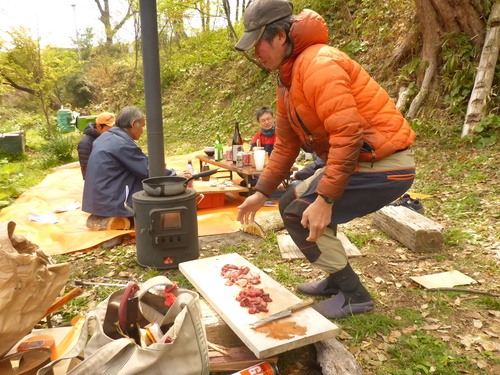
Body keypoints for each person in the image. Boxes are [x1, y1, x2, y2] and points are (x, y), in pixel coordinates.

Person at [235, 0, 416, 319]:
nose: (256, 54)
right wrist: (261, 192)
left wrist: (326, 199)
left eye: (258, 43)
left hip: (385, 162)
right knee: (289, 200)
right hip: (357, 159)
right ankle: (335, 277)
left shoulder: (319, 64)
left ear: (279, 37)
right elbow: (286, 145)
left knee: (300, 213)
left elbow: (348, 134)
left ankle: (355, 295)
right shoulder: (287, 80)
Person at [82, 106, 177, 220]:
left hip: (98, 202)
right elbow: (149, 171)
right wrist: (174, 176)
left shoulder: (105, 137)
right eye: (142, 126)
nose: (142, 130)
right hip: (113, 205)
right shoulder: (121, 144)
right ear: (133, 123)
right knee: (167, 205)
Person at [77, 112, 115, 179]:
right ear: (98, 126)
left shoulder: (112, 138)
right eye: (109, 129)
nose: (113, 131)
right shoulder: (86, 143)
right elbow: (87, 170)